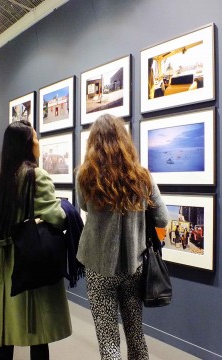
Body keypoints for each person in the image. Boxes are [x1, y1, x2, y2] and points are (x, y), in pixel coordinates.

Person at [76, 114, 169, 360]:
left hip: (98, 266)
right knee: (136, 334)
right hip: (134, 265)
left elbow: (84, 207)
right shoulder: (142, 176)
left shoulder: (85, 175)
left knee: (108, 342)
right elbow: (162, 219)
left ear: (93, 142)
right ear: (125, 140)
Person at [0, 120, 71, 360]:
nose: (38, 143)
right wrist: (65, 208)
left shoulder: (0, 179)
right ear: (26, 145)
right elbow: (58, 218)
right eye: (35, 138)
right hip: (28, 259)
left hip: (0, 260)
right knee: (36, 329)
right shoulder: (35, 175)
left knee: (4, 327)